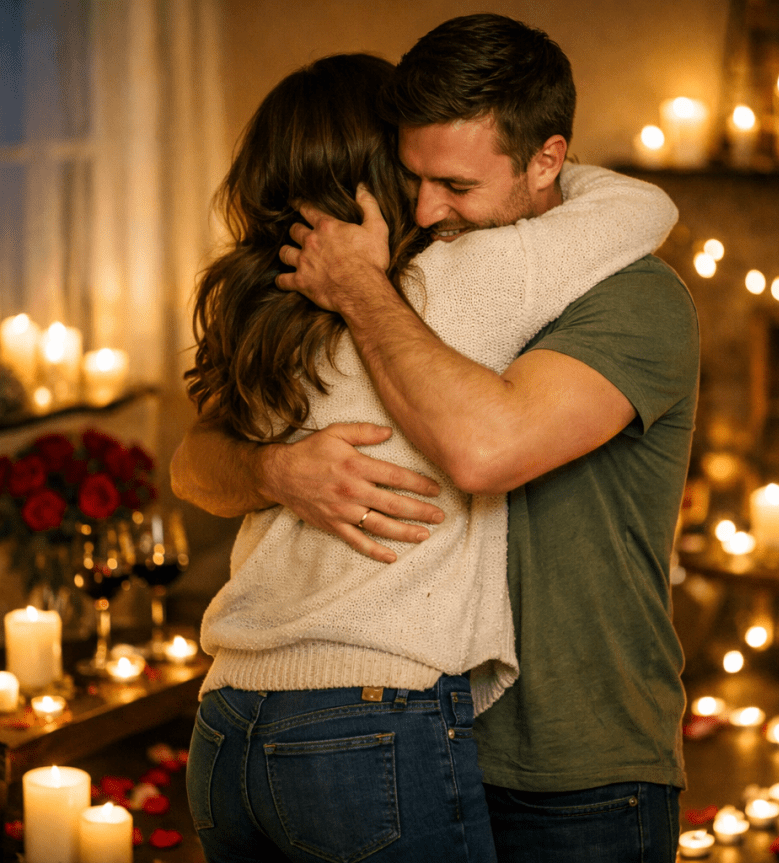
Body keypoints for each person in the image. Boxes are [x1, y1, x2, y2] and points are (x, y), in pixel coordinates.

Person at [176, 44, 678, 863]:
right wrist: (275, 469)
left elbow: (483, 450)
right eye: (416, 180)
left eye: (454, 183)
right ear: (382, 178)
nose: (431, 208)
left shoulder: (269, 315)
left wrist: (353, 284)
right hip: (369, 720)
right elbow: (642, 205)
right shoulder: (449, 286)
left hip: (228, 721)